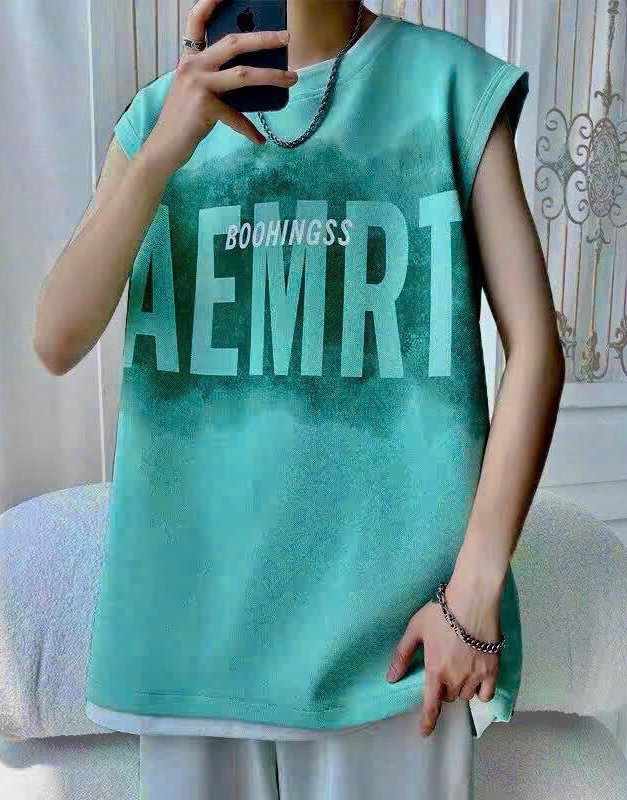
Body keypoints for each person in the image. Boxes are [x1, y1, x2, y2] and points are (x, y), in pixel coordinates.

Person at [33, 0, 564, 797]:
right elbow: (57, 339)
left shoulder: (450, 90)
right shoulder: (161, 114)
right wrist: (161, 151)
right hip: (189, 644)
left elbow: (536, 348)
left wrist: (475, 594)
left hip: (393, 654)